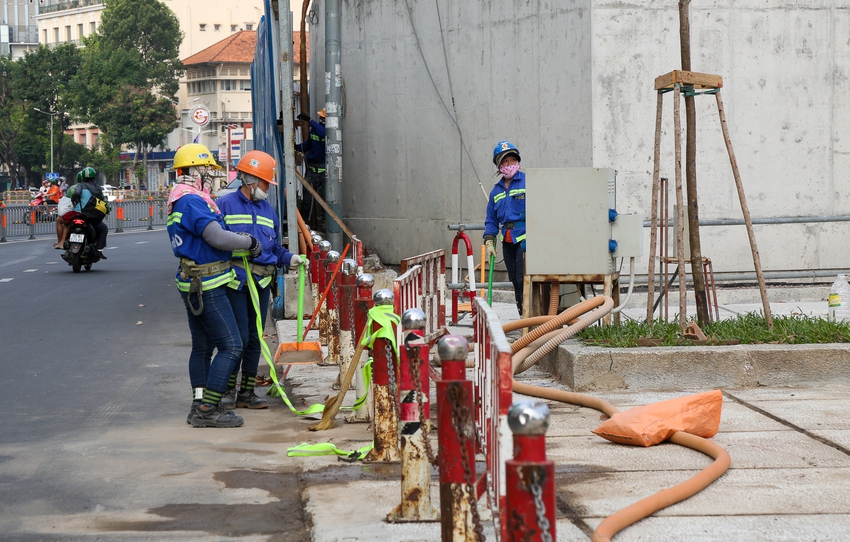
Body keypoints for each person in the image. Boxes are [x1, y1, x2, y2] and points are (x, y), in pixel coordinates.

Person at [167, 143, 262, 428]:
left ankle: (199, 401)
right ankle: (208, 409)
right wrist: (249, 242)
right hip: (206, 283)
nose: (212, 175)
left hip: (192, 280)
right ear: (195, 170)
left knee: (203, 346)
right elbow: (217, 238)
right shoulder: (193, 201)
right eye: (208, 170)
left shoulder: (179, 197)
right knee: (232, 345)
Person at [216, 150, 306, 410]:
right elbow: (215, 241)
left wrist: (290, 258)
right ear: (250, 180)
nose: (268, 188)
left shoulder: (267, 210)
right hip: (235, 282)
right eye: (266, 183)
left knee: (255, 338)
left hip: (262, 283)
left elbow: (274, 248)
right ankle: (226, 390)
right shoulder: (225, 206)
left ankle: (246, 394)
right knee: (238, 337)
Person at [484, 140, 527, 315]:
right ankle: (523, 317)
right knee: (515, 282)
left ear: (517, 162)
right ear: (499, 166)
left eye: (512, 160)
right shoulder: (496, 191)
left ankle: (531, 319)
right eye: (505, 161)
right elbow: (491, 220)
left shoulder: (527, 181)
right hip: (507, 239)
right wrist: (489, 241)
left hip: (526, 238)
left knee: (522, 279)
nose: (509, 165)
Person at [54, 167, 109, 258]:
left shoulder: (79, 186)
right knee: (104, 229)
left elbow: (75, 194)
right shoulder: (98, 188)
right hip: (92, 216)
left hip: (78, 214)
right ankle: (99, 249)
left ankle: (61, 242)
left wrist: (74, 200)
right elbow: (103, 200)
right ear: (94, 177)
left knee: (59, 220)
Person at [295, 108, 327, 230]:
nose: (321, 120)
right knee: (307, 199)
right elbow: (308, 145)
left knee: (324, 200)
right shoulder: (314, 129)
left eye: (323, 118)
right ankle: (303, 224)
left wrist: (309, 120)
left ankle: (324, 224)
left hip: (324, 172)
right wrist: (296, 147)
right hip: (311, 169)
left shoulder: (328, 130)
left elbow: (324, 133)